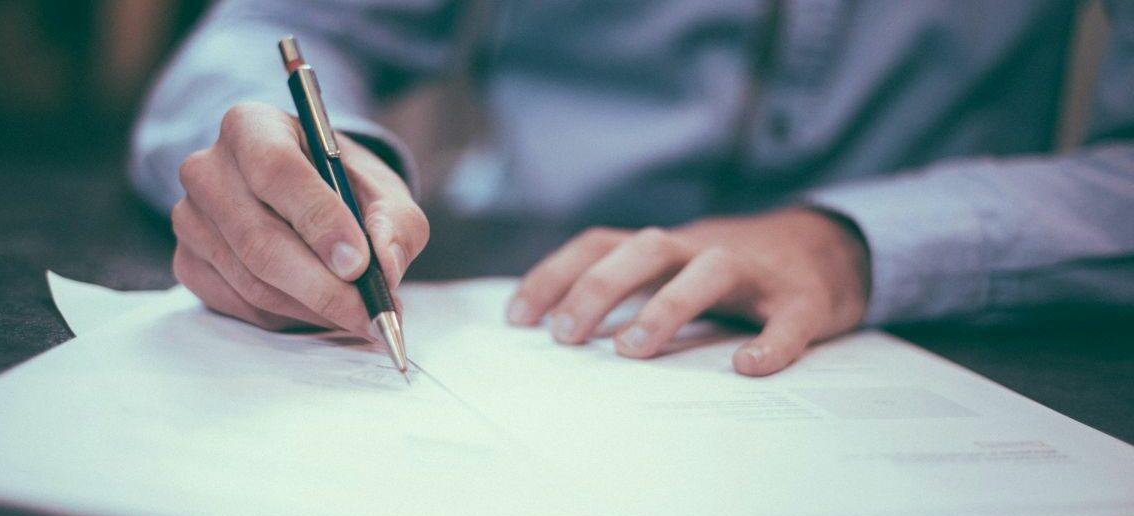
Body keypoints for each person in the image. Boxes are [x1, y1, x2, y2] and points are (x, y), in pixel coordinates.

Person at [129, 0, 1134, 376]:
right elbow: (276, 29)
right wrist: (305, 165)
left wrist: (854, 240)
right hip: (523, 291)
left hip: (946, 333)